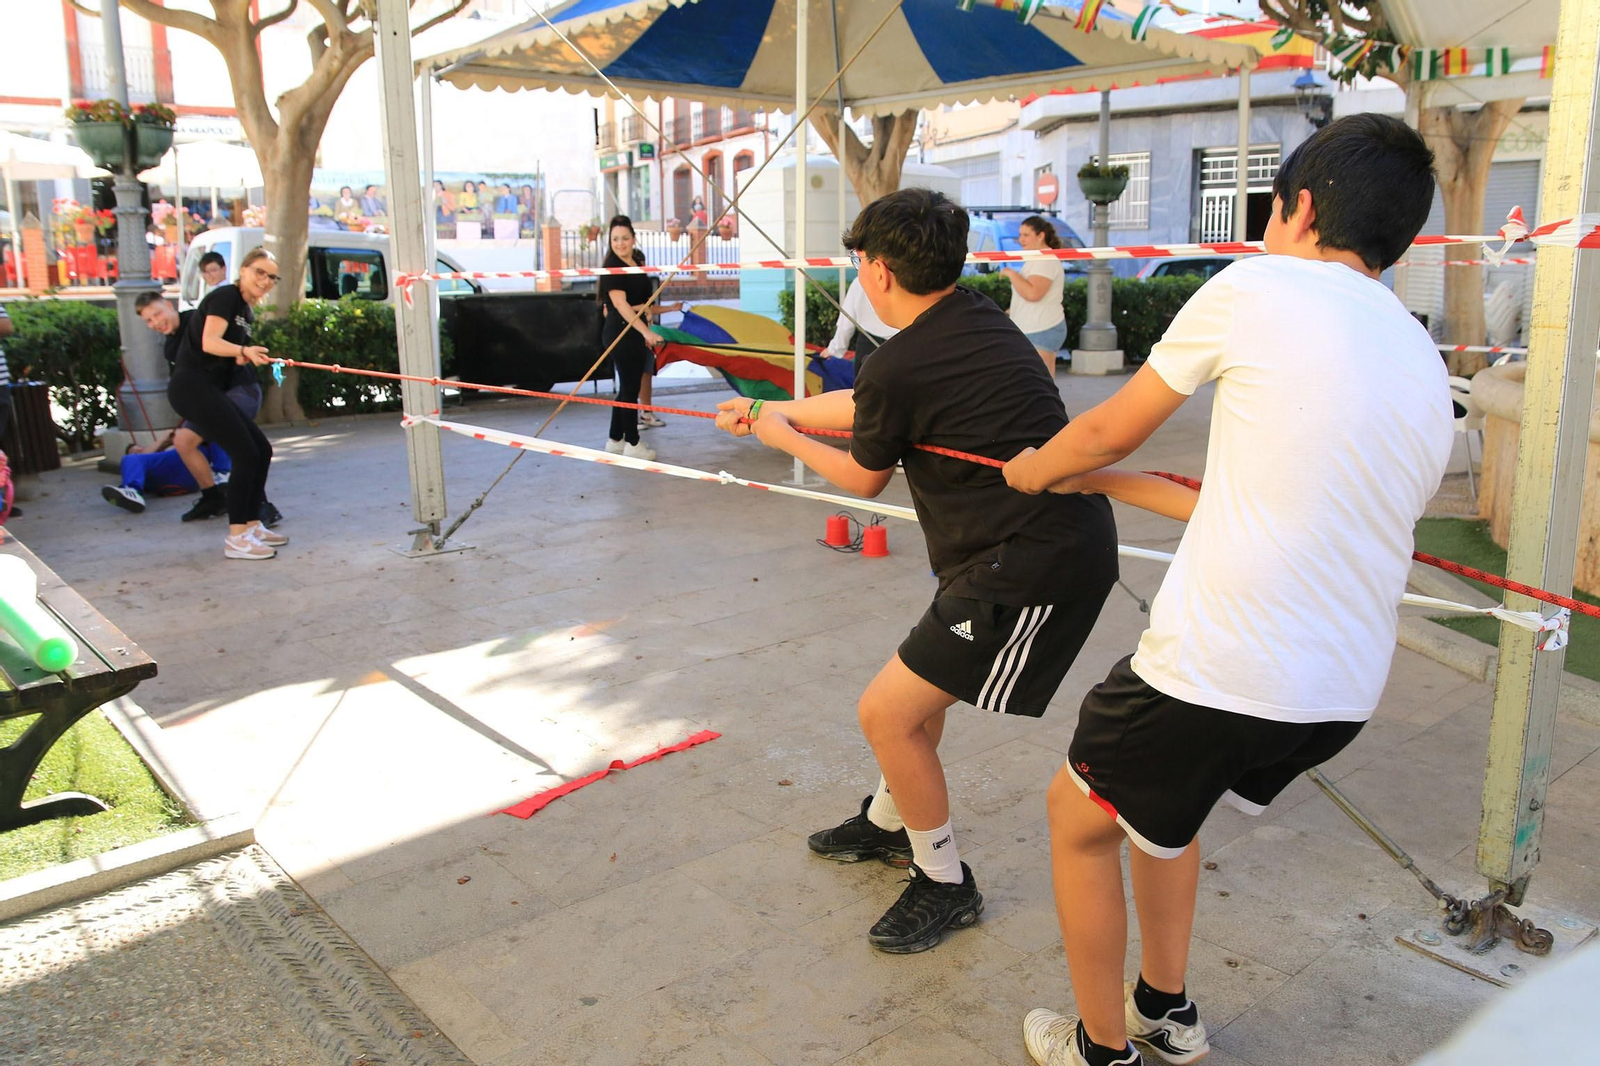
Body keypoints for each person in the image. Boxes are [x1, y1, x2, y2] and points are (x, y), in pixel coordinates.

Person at [1002, 115, 1449, 1066]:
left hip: (1219, 669)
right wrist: (1109, 486)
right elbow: (1269, 508)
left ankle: (1098, 1048)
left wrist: (1044, 469)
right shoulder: (1417, 350)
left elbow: (1106, 430)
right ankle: (1166, 1009)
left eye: (1270, 208)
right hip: (1340, 693)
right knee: (1162, 821)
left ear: (1302, 207)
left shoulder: (1256, 285)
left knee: (1077, 819)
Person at [713, 188, 1118, 954]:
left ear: (877, 269)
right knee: (917, 698)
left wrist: (781, 436)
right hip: (1005, 551)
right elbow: (869, 402)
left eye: (857, 264)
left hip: (1030, 565)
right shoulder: (971, 317)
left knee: (887, 712)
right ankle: (887, 822)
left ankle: (942, 880)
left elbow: (865, 475)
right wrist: (785, 409)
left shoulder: (909, 356)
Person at [165, 246, 286, 560]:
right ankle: (237, 537)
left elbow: (228, 351)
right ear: (243, 270)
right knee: (245, 452)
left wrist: (249, 355)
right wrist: (244, 351)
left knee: (261, 450)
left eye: (271, 277)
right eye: (259, 272)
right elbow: (209, 342)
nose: (265, 280)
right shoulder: (226, 296)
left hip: (211, 389)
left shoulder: (246, 310)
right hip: (192, 386)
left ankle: (253, 523)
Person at [137, 291, 281, 526]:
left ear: (170, 305)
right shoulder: (170, 347)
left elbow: (231, 346)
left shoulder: (199, 319)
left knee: (245, 448)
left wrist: (242, 352)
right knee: (184, 440)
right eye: (148, 320)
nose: (156, 322)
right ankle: (212, 497)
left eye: (157, 313)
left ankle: (258, 507)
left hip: (239, 388)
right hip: (211, 395)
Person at [597, 216, 664, 458]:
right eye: (615, 239)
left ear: (633, 239)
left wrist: (647, 316)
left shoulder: (636, 262)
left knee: (627, 387)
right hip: (620, 333)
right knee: (629, 389)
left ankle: (615, 439)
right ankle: (633, 444)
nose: (620, 243)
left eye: (625, 238)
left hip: (634, 332)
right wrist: (646, 331)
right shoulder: (612, 267)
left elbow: (641, 302)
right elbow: (620, 305)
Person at [1000, 216, 1068, 377]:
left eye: (1026, 235)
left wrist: (1011, 274)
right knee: (1038, 381)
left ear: (1041, 235)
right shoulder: (1038, 259)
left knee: (1040, 381)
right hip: (1036, 328)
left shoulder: (1045, 260)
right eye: (1020, 235)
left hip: (1041, 328)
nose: (1021, 239)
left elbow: (1033, 293)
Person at [100, 431, 231, 514]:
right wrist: (162, 440)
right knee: (130, 459)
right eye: (135, 450)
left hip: (192, 472)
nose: (139, 451)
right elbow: (142, 456)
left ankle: (222, 476)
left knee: (212, 430)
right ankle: (132, 491)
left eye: (140, 448)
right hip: (170, 479)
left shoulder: (163, 455)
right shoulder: (136, 461)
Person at [629, 245, 682, 430]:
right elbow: (613, 309)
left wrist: (671, 308)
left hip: (646, 337)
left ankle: (646, 413)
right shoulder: (620, 284)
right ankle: (630, 417)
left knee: (646, 373)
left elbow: (648, 307)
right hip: (629, 336)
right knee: (631, 377)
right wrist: (639, 310)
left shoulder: (643, 283)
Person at [823, 276, 898, 373]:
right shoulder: (904, 279)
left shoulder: (860, 281)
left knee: (865, 387)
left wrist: (834, 350)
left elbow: (846, 323)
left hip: (868, 346)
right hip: (901, 343)